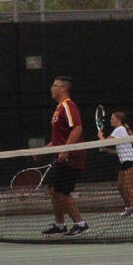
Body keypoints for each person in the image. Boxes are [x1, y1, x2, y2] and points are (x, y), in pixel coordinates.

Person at [40, 76, 89, 236]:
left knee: (62, 191)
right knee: (53, 189)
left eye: (54, 86)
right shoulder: (58, 108)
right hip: (60, 157)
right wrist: (43, 150)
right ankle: (60, 225)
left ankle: (81, 224)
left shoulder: (68, 106)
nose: (51, 88)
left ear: (63, 89)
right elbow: (59, 139)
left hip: (71, 158)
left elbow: (77, 129)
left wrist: (66, 151)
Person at [98, 111, 133, 217]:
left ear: (118, 120)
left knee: (127, 187)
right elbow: (118, 151)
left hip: (131, 161)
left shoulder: (120, 129)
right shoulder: (121, 130)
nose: (111, 120)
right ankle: (129, 208)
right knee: (120, 187)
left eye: (112, 118)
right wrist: (106, 150)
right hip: (125, 162)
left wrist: (100, 136)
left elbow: (105, 141)